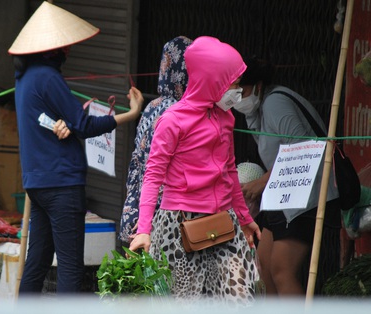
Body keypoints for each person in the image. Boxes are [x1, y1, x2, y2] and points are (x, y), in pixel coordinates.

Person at [9, 1, 143, 294]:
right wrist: (131, 114)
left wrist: (67, 122)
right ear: (50, 48)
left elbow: (54, 120)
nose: (68, 50)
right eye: (64, 46)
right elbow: (84, 125)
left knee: (37, 263)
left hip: (38, 183)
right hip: (62, 184)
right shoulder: (48, 76)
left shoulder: (25, 78)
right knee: (70, 267)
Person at [128, 36, 261, 306]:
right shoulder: (172, 121)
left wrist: (245, 218)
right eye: (233, 85)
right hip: (178, 225)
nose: (238, 91)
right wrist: (144, 229)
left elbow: (230, 172)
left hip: (224, 222)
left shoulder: (226, 118)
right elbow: (152, 176)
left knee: (239, 300)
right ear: (213, 82)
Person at [235, 57, 341, 296]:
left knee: (282, 268)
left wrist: (262, 182)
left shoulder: (275, 103)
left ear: (258, 86)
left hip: (306, 193)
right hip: (283, 195)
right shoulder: (257, 110)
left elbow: (302, 149)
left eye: (241, 91)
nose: (237, 99)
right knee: (263, 266)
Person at [119, 36, 192, 243]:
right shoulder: (181, 111)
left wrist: (136, 211)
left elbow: (138, 163)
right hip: (166, 213)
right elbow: (160, 168)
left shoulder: (153, 106)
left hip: (141, 205)